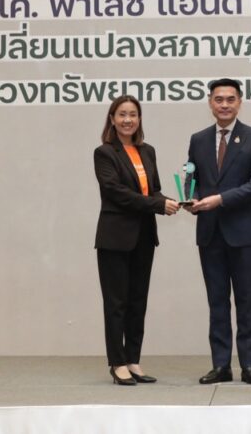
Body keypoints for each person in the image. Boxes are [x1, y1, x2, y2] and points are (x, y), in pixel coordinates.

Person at [185, 78, 251, 385]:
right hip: (210, 234)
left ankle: (249, 365)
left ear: (239, 102)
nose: (224, 105)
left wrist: (219, 199)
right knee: (217, 302)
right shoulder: (198, 139)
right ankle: (221, 365)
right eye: (218, 99)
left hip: (244, 234)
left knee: (246, 301)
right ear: (210, 102)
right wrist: (191, 199)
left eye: (230, 99)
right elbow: (192, 176)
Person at [93, 95, 180, 385]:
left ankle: (133, 359)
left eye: (133, 114)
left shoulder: (147, 151)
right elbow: (115, 192)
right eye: (122, 114)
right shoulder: (104, 153)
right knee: (116, 303)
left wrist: (172, 202)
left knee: (137, 301)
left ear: (139, 119)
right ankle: (117, 363)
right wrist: (157, 205)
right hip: (115, 238)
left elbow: (153, 190)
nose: (128, 120)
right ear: (112, 119)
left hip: (144, 236)